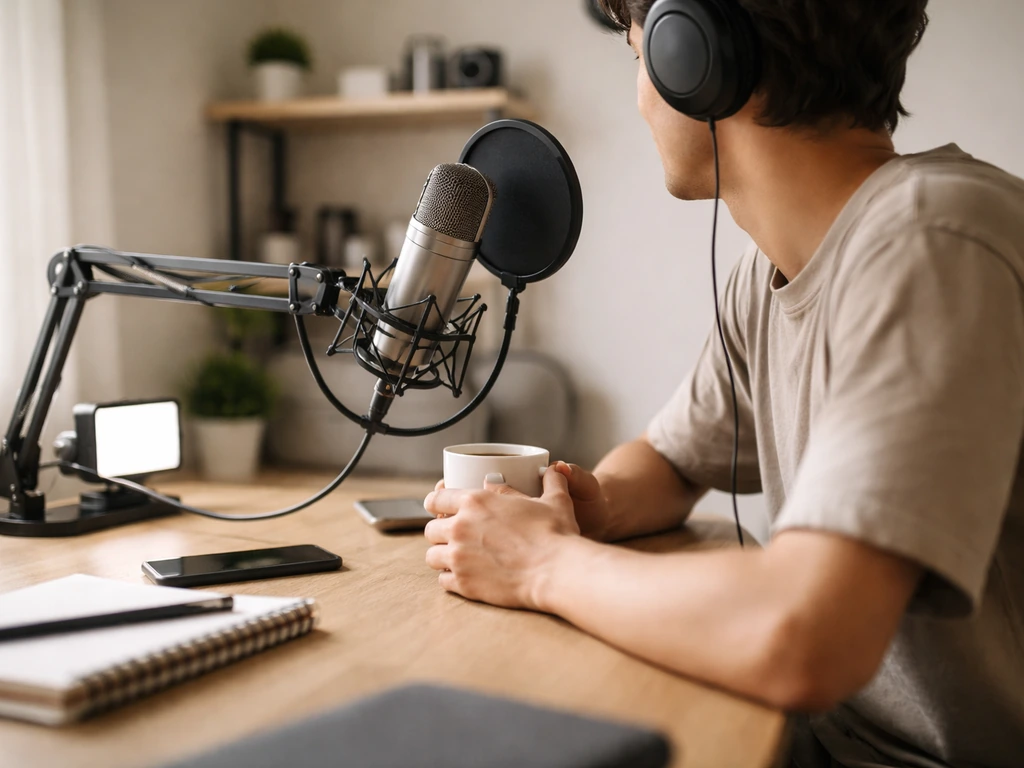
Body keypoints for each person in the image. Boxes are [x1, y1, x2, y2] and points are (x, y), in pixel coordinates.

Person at [422, 1, 1024, 765]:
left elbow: (805, 636)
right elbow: (671, 461)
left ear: (692, 57)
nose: (639, 94)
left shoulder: (935, 241)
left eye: (637, 57)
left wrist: (543, 565)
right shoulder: (771, 273)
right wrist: (583, 506)